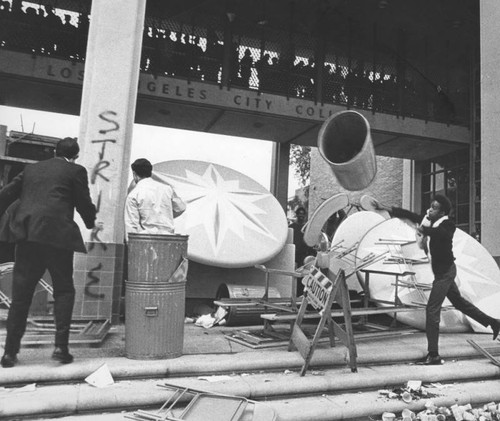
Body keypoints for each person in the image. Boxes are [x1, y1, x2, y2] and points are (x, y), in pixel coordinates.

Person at [0, 137, 98, 368]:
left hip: (28, 237)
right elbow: (83, 201)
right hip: (58, 239)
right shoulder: (75, 171)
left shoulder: (32, 169)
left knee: (21, 295)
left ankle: (9, 354)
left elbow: (6, 193)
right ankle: (60, 349)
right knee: (63, 290)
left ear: (55, 151)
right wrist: (90, 221)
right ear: (75, 155)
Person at [374, 194, 500, 365]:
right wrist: (386, 208)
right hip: (442, 272)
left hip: (445, 273)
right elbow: (411, 216)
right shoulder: (430, 222)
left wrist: (423, 229)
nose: (430, 210)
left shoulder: (448, 225)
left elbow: (441, 234)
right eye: (431, 206)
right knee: (460, 303)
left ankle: (433, 354)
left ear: (442, 213)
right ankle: (493, 322)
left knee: (432, 310)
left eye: (434, 208)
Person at [124, 158, 186, 236]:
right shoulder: (167, 189)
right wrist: (166, 215)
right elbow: (181, 208)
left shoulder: (133, 195)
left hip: (145, 239)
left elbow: (131, 226)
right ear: (150, 172)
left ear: (134, 174)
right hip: (168, 238)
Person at [289, 206, 315, 295]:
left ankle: (302, 294)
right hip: (294, 256)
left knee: (304, 276)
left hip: (304, 257)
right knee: (295, 276)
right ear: (296, 215)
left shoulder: (307, 228)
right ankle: (295, 294)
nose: (301, 216)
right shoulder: (291, 227)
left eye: (303, 214)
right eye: (299, 214)